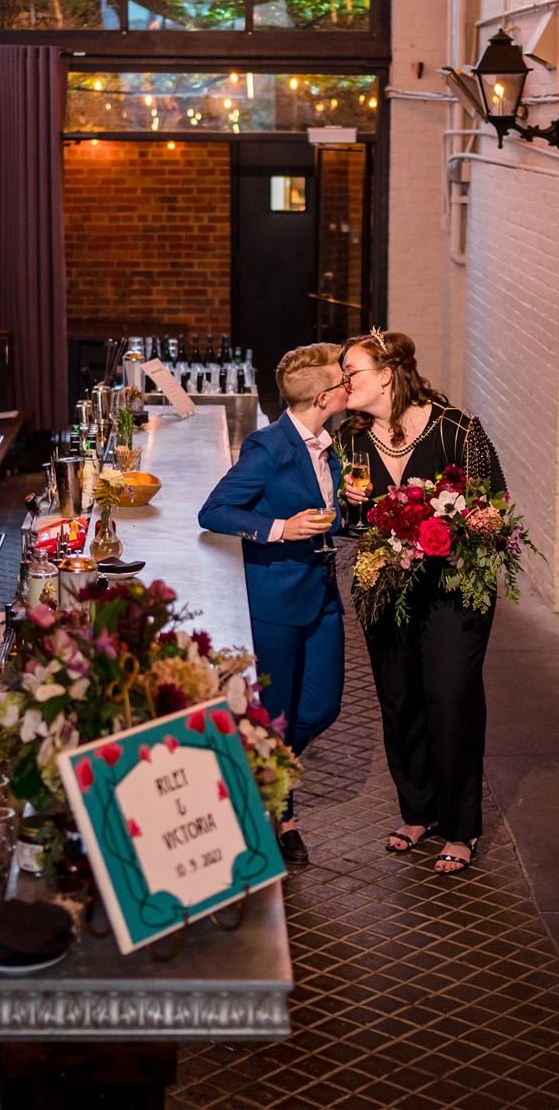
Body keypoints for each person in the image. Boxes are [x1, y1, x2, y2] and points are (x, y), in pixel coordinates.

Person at [336, 329, 503, 875]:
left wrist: (478, 519)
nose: (344, 382)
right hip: (384, 586)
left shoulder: (458, 430)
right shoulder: (352, 440)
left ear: (386, 375)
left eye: (351, 372)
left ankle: (460, 827)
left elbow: (496, 505)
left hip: (453, 588)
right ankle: (419, 810)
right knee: (399, 698)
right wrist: (347, 502)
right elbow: (342, 521)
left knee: (451, 699)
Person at [196, 343, 348, 867]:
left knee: (322, 706)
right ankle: (282, 817)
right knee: (277, 714)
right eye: (342, 381)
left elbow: (333, 509)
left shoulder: (331, 445)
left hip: (323, 594)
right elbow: (214, 511)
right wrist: (281, 528)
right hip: (276, 600)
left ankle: (259, 776)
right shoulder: (268, 447)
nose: (348, 386)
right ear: (325, 395)